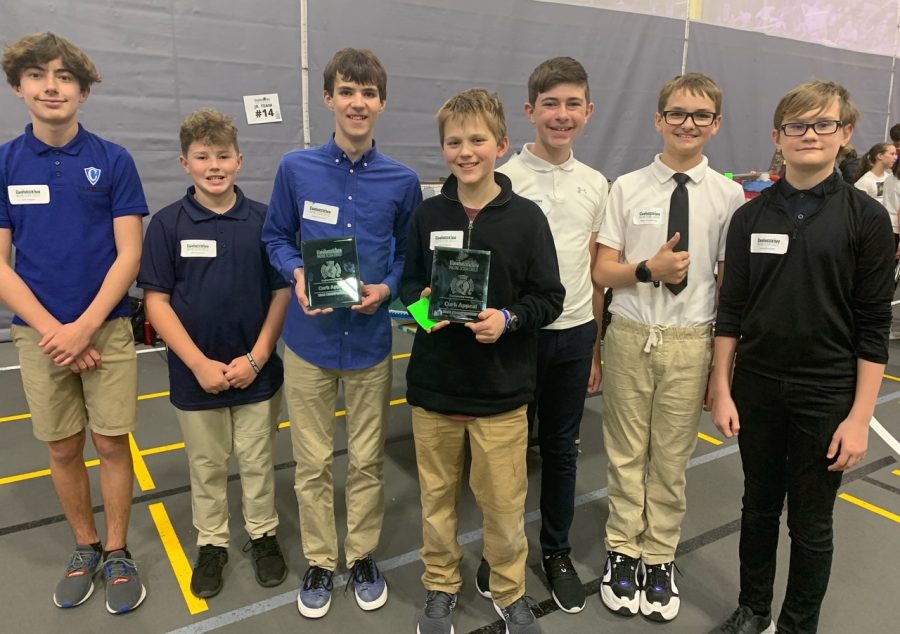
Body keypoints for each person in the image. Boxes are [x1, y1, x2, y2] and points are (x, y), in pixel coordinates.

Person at [708, 80, 894, 634]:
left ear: (845, 135)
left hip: (827, 391)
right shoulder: (750, 218)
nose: (809, 135)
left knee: (811, 525)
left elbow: (873, 326)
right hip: (758, 385)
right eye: (797, 125)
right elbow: (732, 311)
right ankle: (753, 610)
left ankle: (797, 625)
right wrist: (722, 386)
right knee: (758, 510)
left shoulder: (867, 220)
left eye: (823, 125)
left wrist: (860, 417)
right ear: (777, 136)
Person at [262, 48, 422, 619]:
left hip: (371, 343)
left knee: (366, 460)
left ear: (382, 102)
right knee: (309, 464)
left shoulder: (402, 181)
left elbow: (408, 253)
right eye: (347, 91)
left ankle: (361, 555)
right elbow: (276, 237)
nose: (358, 103)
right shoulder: (295, 169)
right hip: (309, 345)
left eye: (368, 93)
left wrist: (390, 288)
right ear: (328, 98)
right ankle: (320, 559)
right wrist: (298, 271)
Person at [401, 87, 564, 634]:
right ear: (443, 148)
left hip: (501, 393)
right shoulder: (427, 215)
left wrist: (508, 320)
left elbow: (549, 297)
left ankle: (509, 589)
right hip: (436, 389)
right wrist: (423, 308)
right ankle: (440, 586)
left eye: (477, 140)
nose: (465, 151)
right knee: (437, 501)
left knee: (503, 505)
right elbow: (406, 286)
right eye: (454, 142)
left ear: (501, 144)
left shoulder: (527, 219)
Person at [0, 32, 148, 613]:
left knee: (112, 442)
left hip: (105, 328)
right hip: (39, 335)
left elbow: (129, 256)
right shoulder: (6, 163)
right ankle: (84, 545)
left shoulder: (112, 161)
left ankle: (116, 550)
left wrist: (84, 327)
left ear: (83, 91)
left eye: (64, 76)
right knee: (63, 448)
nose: (51, 85)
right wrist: (55, 332)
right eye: (37, 75)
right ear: (19, 87)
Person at [592, 72, 745, 623]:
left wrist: (721, 370)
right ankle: (622, 550)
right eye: (677, 113)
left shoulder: (730, 198)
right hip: (633, 334)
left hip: (690, 341)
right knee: (627, 453)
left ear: (715, 124)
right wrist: (646, 270)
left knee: (672, 460)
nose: (687, 123)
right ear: (659, 120)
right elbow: (602, 270)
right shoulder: (626, 188)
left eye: (700, 115)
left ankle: (659, 555)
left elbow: (730, 286)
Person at [471, 57, 607, 615]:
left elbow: (595, 270)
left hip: (573, 337)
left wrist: (595, 346)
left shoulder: (597, 184)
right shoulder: (501, 179)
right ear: (529, 111)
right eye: (550, 103)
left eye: (573, 103)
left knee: (560, 451)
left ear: (588, 112)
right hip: (512, 336)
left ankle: (555, 550)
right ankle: (500, 550)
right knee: (501, 455)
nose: (561, 114)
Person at [138, 108, 291, 599]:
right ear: (185, 163)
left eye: (223, 155)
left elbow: (281, 292)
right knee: (206, 465)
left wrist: (258, 356)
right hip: (194, 376)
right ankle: (212, 542)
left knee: (257, 458)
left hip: (256, 373)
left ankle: (263, 534)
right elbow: (157, 302)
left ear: (240, 160)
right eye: (202, 157)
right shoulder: (166, 225)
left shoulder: (264, 221)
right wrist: (198, 363)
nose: (214, 165)